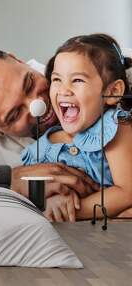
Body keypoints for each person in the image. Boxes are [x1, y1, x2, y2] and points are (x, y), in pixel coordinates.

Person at [0, 45, 105, 221]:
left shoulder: (104, 71)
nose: (38, 105)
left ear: (18, 60)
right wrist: (6, 181)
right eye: (15, 114)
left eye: (29, 84)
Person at [21, 34, 132, 222]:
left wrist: (69, 212)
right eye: (57, 80)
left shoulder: (114, 126)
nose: (64, 90)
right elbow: (35, 203)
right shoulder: (38, 153)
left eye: (77, 80)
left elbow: (127, 191)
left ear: (112, 92)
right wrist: (52, 203)